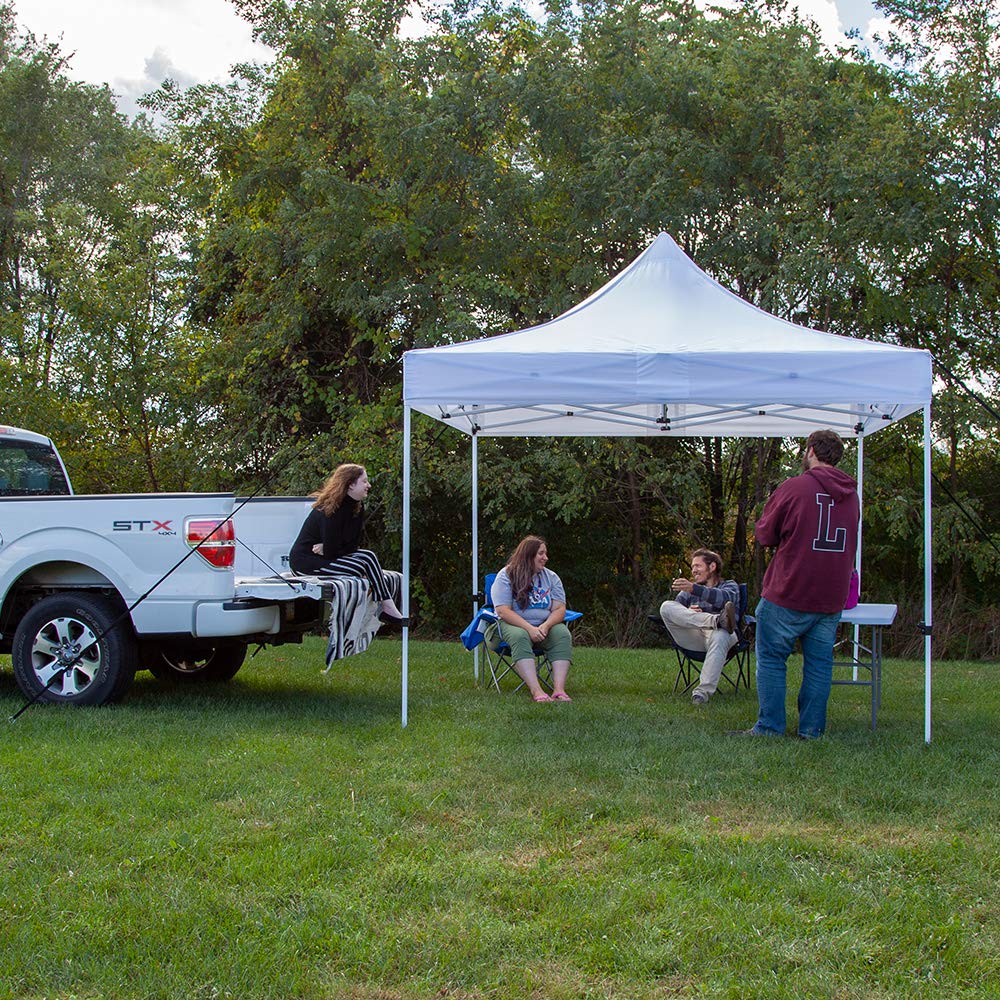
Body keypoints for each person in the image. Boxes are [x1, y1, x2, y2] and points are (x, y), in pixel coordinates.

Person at [739, 429, 860, 739]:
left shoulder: (794, 487)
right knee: (819, 664)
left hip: (789, 590)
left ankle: (770, 727)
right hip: (831, 595)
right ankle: (811, 729)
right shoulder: (852, 496)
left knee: (771, 659)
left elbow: (765, 535)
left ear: (811, 451)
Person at [289, 464, 404, 626]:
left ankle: (387, 605)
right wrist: (330, 548)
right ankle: (386, 606)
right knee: (361, 566)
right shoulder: (329, 508)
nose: (369, 485)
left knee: (368, 556)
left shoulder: (357, 508)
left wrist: (328, 547)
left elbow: (351, 546)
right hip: (306, 562)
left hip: (327, 557)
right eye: (364, 481)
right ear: (350, 484)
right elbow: (333, 552)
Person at [490, 536, 573, 702]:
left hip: (543, 627)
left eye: (545, 553)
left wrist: (546, 626)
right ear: (528, 555)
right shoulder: (506, 575)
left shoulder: (551, 577)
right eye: (541, 553)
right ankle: (537, 691)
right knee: (520, 635)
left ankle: (559, 690)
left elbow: (559, 609)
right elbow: (503, 611)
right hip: (510, 625)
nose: (545, 558)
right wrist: (530, 629)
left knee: (562, 633)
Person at [659, 548, 739, 705]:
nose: (693, 570)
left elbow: (725, 599)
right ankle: (717, 620)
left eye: (698, 566)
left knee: (721, 633)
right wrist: (688, 612)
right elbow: (675, 612)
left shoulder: (729, 585)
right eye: (692, 567)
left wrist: (694, 589)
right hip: (694, 636)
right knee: (666, 606)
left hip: (720, 637)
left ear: (712, 566)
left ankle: (701, 694)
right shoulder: (687, 592)